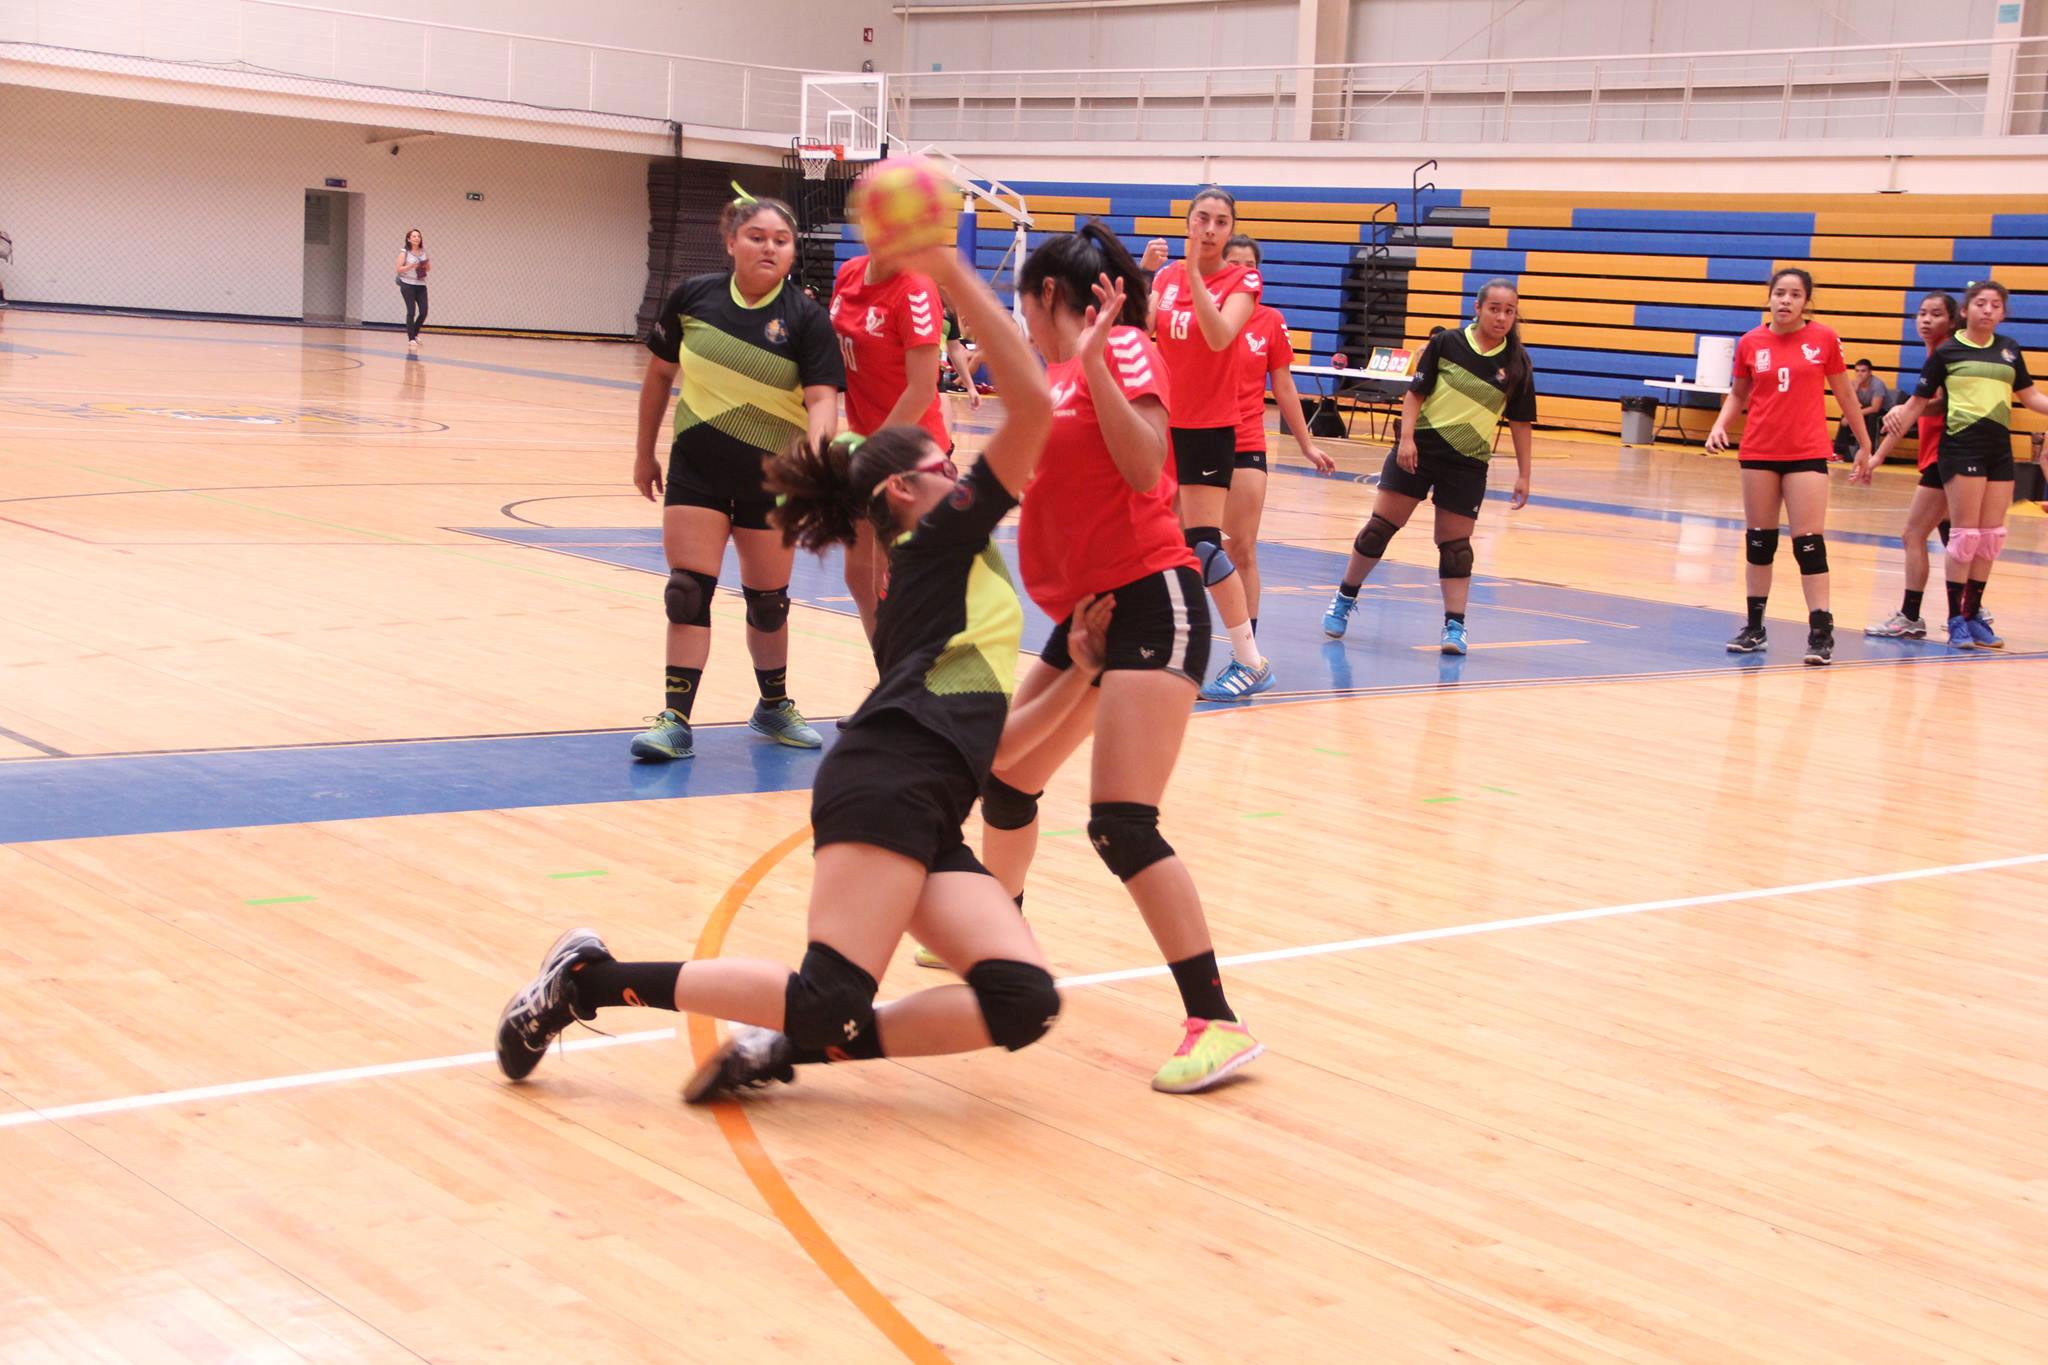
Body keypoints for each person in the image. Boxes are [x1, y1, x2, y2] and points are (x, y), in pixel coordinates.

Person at [497, 245, 1077, 1102]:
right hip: (890, 780)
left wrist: (1078, 673)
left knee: (1022, 1001)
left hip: (931, 794)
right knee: (828, 996)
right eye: (942, 465)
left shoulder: (944, 559)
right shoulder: (942, 534)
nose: (959, 469)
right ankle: (584, 979)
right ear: (910, 494)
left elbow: (993, 748)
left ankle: (789, 1049)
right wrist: (949, 270)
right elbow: (1030, 402)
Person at [970, 222, 1263, 1094]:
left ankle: (1217, 1020)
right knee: (1008, 782)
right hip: (1088, 614)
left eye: (1026, 300)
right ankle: (1003, 951)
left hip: (1150, 598)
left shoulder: (1125, 350)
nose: (1022, 315)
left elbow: (1143, 471)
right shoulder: (1046, 379)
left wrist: (1095, 362)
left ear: (1050, 297)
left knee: (1120, 820)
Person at [627, 195, 842, 762]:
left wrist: (815, 466)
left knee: (768, 603)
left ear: (792, 252)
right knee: (686, 592)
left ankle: (773, 706)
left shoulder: (805, 317)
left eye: (781, 239)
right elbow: (657, 375)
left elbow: (822, 400)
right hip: (695, 470)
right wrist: (644, 453)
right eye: (756, 236)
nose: (769, 246)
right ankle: (675, 719)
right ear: (731, 243)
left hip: (774, 480)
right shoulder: (692, 299)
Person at [1322, 279, 1535, 654]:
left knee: (1455, 548)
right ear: (1478, 308)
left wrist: (1524, 473)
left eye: (1509, 311)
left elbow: (1520, 422)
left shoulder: (1516, 362)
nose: (1502, 317)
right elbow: (1415, 394)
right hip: (1419, 451)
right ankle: (1344, 596)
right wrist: (1406, 440)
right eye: (1495, 309)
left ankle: (1455, 627)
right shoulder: (1446, 344)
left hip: (1468, 462)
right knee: (1378, 529)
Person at [1702, 268, 1868, 665]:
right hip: (1759, 450)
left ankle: (1820, 630)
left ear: (1806, 301)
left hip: (1807, 451)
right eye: (1780, 293)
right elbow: (1738, 392)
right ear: (1769, 297)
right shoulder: (1750, 342)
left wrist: (1865, 444)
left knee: (1809, 544)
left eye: (1795, 294)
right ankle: (1755, 626)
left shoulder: (1824, 338)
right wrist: (1719, 425)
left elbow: (1844, 392)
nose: (1786, 300)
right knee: (1759, 542)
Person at [1149, 187, 1274, 700]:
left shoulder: (1242, 278)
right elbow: (1140, 328)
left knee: (1205, 544)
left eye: (1221, 222)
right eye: (1202, 218)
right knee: (1166, 545)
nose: (1210, 228)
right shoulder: (1164, 277)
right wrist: (1144, 276)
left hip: (1209, 428)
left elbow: (1220, 334)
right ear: (1187, 222)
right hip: (1162, 425)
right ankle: (1173, 647)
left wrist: (1197, 277)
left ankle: (1251, 660)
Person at [1877, 280, 2048, 649]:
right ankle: (1956, 618)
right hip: (1961, 449)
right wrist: (1878, 448)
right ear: (1966, 311)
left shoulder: (2009, 351)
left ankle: (1973, 617)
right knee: (1964, 537)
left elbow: (2031, 397)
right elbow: (1919, 404)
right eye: (1981, 303)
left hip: (1999, 451)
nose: (1988, 310)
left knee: (1990, 538)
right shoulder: (1948, 351)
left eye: (1996, 305)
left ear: (2003, 313)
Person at [830, 248, 953, 640]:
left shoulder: (915, 288)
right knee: (861, 577)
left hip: (911, 456)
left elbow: (921, 390)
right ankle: (892, 679)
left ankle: (923, 685)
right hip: (865, 448)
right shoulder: (849, 274)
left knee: (899, 581)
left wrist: (872, 455)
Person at [1221, 234, 1335, 634]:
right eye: (1232, 264)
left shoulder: (1270, 321)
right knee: (1185, 549)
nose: (1241, 272)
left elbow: (1283, 387)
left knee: (1241, 548)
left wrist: (1305, 444)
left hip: (1246, 442)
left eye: (1249, 265)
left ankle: (1246, 653)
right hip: (1196, 441)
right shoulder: (1201, 314)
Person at [1862, 293, 1959, 639]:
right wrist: (1878, 455)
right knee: (1952, 537)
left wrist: (1880, 451)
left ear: (1952, 319)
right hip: (1939, 456)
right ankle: (1965, 609)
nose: (1926, 320)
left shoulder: (1949, 355)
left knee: (1913, 534)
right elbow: (1912, 414)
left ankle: (1912, 615)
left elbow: (1934, 406)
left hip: (1946, 456)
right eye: (1921, 313)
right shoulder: (1937, 356)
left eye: (1936, 314)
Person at [1834, 359, 1890, 460]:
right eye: (1857, 371)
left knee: (1872, 417)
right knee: (1845, 417)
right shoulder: (1853, 384)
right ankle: (1839, 452)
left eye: (1863, 371)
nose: (1860, 374)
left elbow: (1875, 408)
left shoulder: (1877, 385)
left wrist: (1852, 415)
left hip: (1883, 412)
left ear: (1870, 372)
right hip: (1865, 410)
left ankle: (1870, 453)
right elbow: (1850, 404)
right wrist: (1855, 389)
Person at [395, 229, 430, 351]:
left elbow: (428, 268)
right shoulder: (404, 252)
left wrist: (425, 265)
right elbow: (399, 269)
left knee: (424, 311)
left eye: (418, 236)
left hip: (420, 284)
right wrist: (411, 266)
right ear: (409, 239)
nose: (416, 238)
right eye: (414, 236)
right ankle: (411, 338)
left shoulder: (422, 252)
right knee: (411, 311)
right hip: (407, 284)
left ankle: (415, 333)